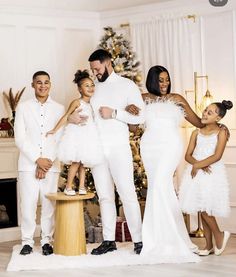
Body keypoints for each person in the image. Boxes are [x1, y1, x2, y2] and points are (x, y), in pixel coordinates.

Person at [69, 49, 145, 255]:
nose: (95, 73)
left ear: (108, 62)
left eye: (98, 68)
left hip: (119, 149)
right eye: (92, 70)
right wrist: (72, 119)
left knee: (128, 194)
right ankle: (109, 240)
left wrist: (114, 113)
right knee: (105, 197)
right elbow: (82, 111)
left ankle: (139, 240)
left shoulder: (127, 86)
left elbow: (139, 117)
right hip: (97, 151)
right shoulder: (93, 89)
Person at [127, 65, 205, 263]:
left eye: (166, 80)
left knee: (160, 185)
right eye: (160, 80)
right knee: (159, 188)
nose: (164, 84)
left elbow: (198, 122)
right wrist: (131, 112)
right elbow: (135, 129)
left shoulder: (177, 98)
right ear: (152, 81)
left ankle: (166, 238)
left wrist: (218, 123)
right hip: (149, 147)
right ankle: (160, 237)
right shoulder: (143, 98)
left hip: (170, 145)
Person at [14, 71, 64, 255]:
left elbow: (60, 138)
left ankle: (46, 242)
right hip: (28, 165)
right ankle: (27, 241)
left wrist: (46, 162)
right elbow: (20, 138)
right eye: (39, 82)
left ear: (50, 85)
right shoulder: (23, 107)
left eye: (46, 82)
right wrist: (37, 159)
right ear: (33, 85)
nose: (43, 86)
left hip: (51, 165)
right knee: (28, 204)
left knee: (48, 206)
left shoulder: (60, 108)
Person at [179, 100, 233, 256]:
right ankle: (208, 245)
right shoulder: (196, 132)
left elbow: (217, 155)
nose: (204, 113)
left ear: (218, 118)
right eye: (205, 110)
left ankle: (220, 234)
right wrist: (197, 165)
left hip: (211, 173)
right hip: (197, 172)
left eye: (210, 112)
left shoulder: (221, 132)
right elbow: (188, 155)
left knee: (205, 208)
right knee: (200, 207)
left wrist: (199, 165)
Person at [46, 70, 104, 196]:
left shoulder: (93, 103)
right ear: (80, 89)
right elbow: (66, 116)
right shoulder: (77, 102)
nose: (91, 88)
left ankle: (82, 186)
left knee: (84, 162)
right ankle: (68, 186)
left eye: (92, 85)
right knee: (76, 161)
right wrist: (55, 129)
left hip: (88, 136)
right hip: (77, 135)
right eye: (86, 85)